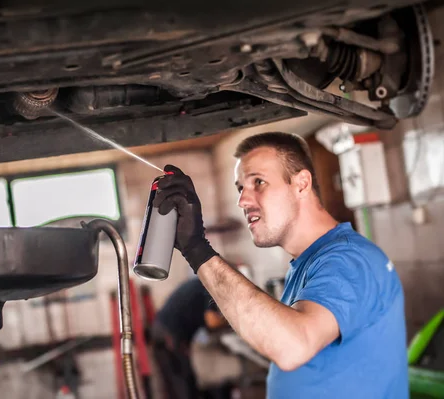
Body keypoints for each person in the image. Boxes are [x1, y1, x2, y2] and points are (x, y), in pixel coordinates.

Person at [153, 132, 408, 398]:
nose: (243, 201)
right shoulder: (309, 263)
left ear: (301, 184)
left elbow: (293, 346)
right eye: (241, 188)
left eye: (258, 182)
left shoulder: (347, 259)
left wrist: (197, 249)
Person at [151, 277, 230, 399]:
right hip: (169, 334)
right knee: (183, 383)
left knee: (181, 383)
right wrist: (233, 321)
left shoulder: (202, 282)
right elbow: (212, 321)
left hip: (164, 330)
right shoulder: (209, 287)